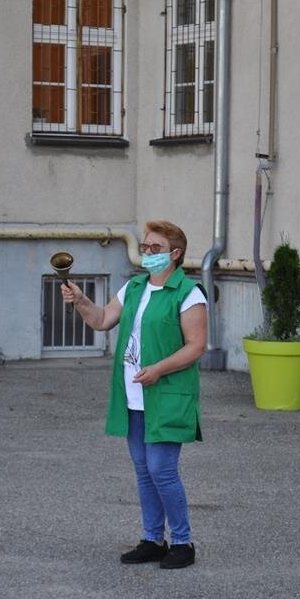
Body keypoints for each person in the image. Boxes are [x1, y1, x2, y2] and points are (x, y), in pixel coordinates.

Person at [61, 220, 207, 569]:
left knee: (162, 470)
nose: (147, 253)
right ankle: (153, 539)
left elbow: (196, 346)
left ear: (175, 254)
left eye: (156, 248)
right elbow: (101, 320)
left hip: (166, 393)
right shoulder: (135, 287)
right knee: (144, 471)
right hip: (134, 396)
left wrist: (159, 369)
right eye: (145, 247)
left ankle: (183, 542)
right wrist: (80, 300)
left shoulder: (189, 293)